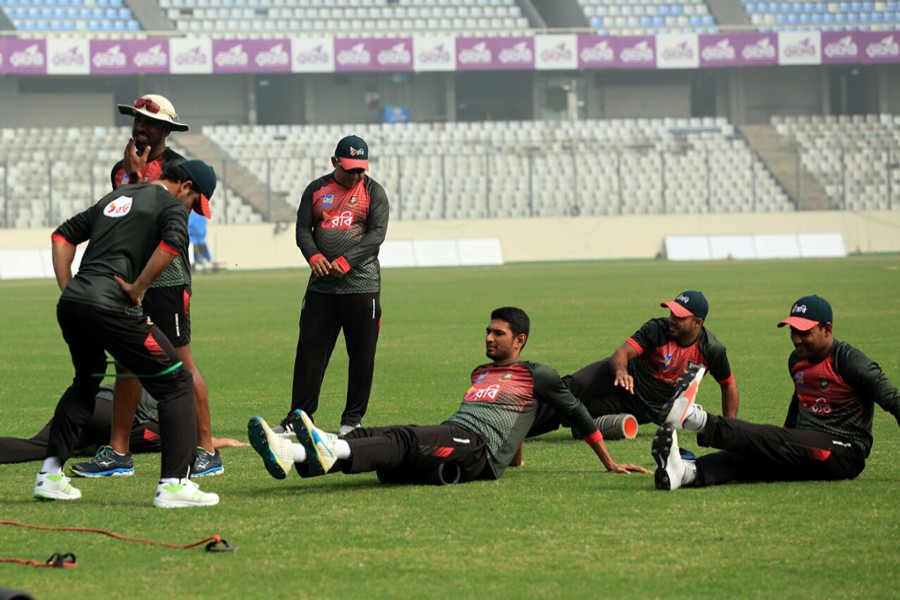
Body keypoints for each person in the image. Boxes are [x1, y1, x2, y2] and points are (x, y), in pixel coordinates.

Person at [249, 307, 649, 487]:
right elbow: (516, 415)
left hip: (477, 452)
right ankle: (293, 453)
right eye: (487, 332)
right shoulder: (481, 373)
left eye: (498, 334)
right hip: (456, 434)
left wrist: (610, 464)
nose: (489, 338)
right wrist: (519, 454)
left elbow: (577, 413)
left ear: (520, 340)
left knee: (404, 440)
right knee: (383, 432)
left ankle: (309, 450)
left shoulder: (536, 373)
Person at [37, 159, 220, 508]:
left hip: (74, 304)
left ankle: (49, 476)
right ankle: (173, 485)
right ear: (185, 186)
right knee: (176, 381)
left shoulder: (116, 198)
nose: (193, 210)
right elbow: (170, 247)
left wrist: (69, 289)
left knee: (85, 381)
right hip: (114, 306)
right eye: (195, 201)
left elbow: (61, 236)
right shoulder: (171, 206)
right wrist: (138, 289)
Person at [72, 94, 222, 478]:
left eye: (149, 122)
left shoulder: (180, 170)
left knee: (182, 364)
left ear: (166, 131)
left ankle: (207, 451)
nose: (140, 125)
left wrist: (138, 178)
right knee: (126, 364)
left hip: (167, 279)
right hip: (131, 280)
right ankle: (118, 452)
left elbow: (169, 223)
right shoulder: (119, 170)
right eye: (136, 118)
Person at [652, 295, 900, 491]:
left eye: (804, 332)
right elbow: (800, 401)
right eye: (793, 331)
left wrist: (778, 438)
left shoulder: (852, 362)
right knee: (753, 454)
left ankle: (696, 419)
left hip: (843, 452)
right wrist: (778, 438)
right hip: (804, 444)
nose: (797, 339)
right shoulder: (797, 361)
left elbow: (894, 401)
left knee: (771, 438)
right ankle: (685, 473)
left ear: (827, 329)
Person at [274, 135, 389, 437]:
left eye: (361, 169)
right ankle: (298, 418)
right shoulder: (316, 190)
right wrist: (313, 256)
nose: (356, 175)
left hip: (362, 287)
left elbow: (376, 235)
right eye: (350, 169)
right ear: (334, 162)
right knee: (310, 352)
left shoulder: (373, 192)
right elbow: (302, 228)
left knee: (362, 355)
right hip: (321, 289)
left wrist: (346, 262)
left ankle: (352, 421)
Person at [526, 290, 739, 441]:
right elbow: (622, 353)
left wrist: (730, 429)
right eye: (672, 312)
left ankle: (532, 430)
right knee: (570, 386)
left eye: (680, 317)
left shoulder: (712, 350)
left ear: (697, 323)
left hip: (643, 407)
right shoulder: (657, 328)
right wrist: (621, 370)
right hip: (617, 374)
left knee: (579, 412)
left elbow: (728, 385)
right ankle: (518, 424)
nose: (672, 319)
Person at [0, 384, 247, 465]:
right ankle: (103, 445)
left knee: (39, 447)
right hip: (106, 412)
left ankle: (96, 443)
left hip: (82, 402)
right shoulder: (175, 393)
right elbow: (176, 434)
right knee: (161, 437)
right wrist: (217, 442)